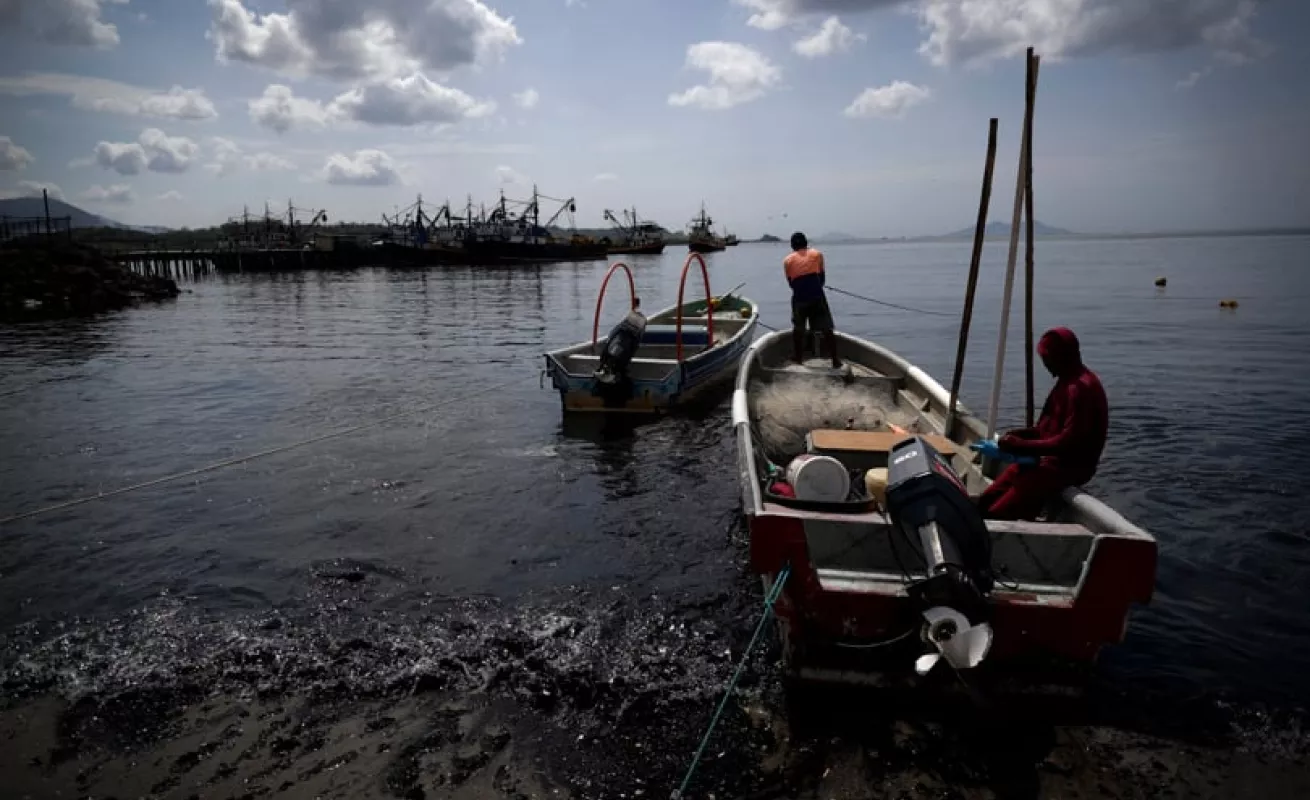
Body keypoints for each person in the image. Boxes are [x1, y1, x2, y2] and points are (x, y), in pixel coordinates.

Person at [977, 327, 1109, 520]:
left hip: (1066, 468)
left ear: (1060, 357)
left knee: (998, 513)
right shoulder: (1065, 381)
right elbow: (1044, 430)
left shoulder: (1081, 389)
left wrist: (1020, 446)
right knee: (985, 501)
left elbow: (1067, 443)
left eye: (1047, 359)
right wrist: (1020, 435)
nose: (1045, 364)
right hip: (1043, 462)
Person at [783, 232, 841, 368]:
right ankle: (835, 361)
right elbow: (822, 278)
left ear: (792, 245)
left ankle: (798, 358)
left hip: (799, 298)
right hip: (817, 296)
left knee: (798, 329)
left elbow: (791, 283)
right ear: (806, 243)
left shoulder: (787, 261)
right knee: (827, 328)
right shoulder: (817, 254)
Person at [595, 297, 647, 385]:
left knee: (615, 350)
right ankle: (612, 369)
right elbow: (636, 342)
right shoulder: (641, 319)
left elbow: (614, 332)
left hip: (623, 337)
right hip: (628, 339)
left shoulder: (628, 315)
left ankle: (609, 368)